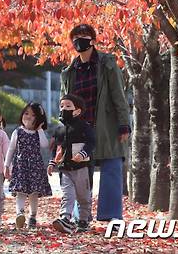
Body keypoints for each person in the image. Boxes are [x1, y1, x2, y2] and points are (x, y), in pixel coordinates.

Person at [60, 24, 130, 222]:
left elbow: (118, 94)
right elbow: (64, 100)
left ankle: (110, 216)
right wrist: (64, 126)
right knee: (78, 170)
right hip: (79, 128)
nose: (79, 41)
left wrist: (124, 123)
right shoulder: (69, 71)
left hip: (106, 123)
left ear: (92, 40)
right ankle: (80, 216)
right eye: (75, 37)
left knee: (112, 165)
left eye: (83, 36)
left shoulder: (107, 63)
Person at [48, 94, 96, 233]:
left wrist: (83, 154)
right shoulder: (60, 129)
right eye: (62, 106)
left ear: (78, 111)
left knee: (83, 197)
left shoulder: (85, 127)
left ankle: (83, 220)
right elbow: (57, 148)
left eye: (68, 106)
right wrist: (52, 163)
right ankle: (65, 218)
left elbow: (91, 142)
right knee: (67, 195)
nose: (64, 109)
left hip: (82, 168)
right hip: (65, 169)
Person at [5, 102, 52, 229]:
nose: (28, 117)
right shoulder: (18, 132)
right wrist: (6, 166)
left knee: (33, 194)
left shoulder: (38, 133)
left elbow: (44, 145)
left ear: (38, 119)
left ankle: (33, 216)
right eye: (26, 113)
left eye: (33, 115)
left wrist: (40, 129)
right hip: (20, 166)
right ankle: (19, 214)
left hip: (35, 167)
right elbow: (11, 149)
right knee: (20, 191)